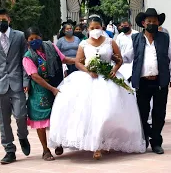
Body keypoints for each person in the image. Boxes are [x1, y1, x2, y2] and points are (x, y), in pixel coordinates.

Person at [48, 15, 146, 160]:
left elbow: (119, 59)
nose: (95, 30)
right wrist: (88, 70)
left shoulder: (110, 41)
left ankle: (106, 140)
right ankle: (96, 145)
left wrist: (114, 69)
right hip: (89, 79)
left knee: (107, 112)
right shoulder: (83, 44)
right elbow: (78, 62)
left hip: (108, 78)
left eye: (97, 28)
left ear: (102, 28)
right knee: (89, 113)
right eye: (92, 28)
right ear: (88, 29)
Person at [123, 8, 171, 154]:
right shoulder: (135, 39)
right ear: (143, 23)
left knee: (159, 113)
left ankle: (156, 142)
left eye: (154, 21)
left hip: (160, 81)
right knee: (142, 112)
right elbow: (127, 57)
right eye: (149, 21)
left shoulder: (164, 38)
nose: (152, 24)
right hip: (142, 82)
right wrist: (112, 56)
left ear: (158, 22)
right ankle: (145, 137)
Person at [0, 8, 30, 164]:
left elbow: (25, 61)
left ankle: (23, 136)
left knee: (21, 115)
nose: (1, 22)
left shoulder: (19, 36)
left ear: (9, 20)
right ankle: (9, 150)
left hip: (17, 83)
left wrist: (25, 81)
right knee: (3, 121)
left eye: (3, 20)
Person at [22, 27, 75, 161]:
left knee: (58, 116)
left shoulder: (51, 47)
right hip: (40, 91)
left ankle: (58, 143)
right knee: (41, 121)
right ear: (27, 41)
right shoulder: (27, 57)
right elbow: (35, 76)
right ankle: (45, 150)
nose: (35, 41)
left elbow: (63, 59)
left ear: (41, 36)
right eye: (31, 39)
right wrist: (51, 89)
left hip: (56, 84)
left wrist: (78, 61)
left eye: (36, 38)